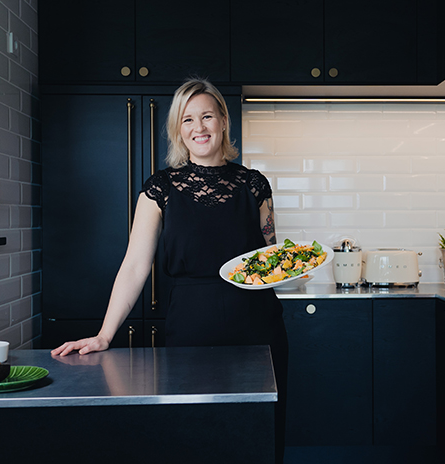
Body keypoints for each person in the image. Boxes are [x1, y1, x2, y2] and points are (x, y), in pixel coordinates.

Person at [51, 78, 288, 463]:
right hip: (192, 326)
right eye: (188, 119)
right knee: (195, 434)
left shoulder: (254, 184)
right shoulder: (160, 188)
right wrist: (104, 334)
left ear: (223, 121)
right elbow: (134, 265)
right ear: (178, 129)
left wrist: (296, 270)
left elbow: (271, 257)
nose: (199, 127)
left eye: (207, 116)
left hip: (258, 325)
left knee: (258, 433)